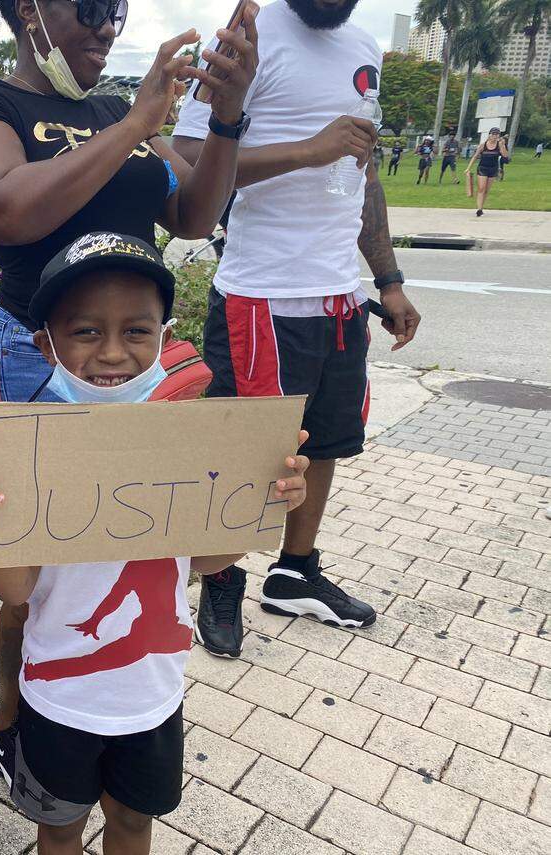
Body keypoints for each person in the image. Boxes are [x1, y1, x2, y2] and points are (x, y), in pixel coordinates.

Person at [0, 0, 259, 772]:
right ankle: (17, 720)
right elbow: (5, 208)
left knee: (118, 544)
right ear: (29, 12)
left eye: (114, 11)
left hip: (123, 357)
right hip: (32, 351)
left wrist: (225, 118)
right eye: (86, 9)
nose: (105, 26)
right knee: (27, 563)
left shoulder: (121, 108)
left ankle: (104, 703)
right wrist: (133, 126)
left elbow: (190, 213)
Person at [0, 232, 310, 853]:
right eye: (86, 332)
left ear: (164, 337)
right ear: (47, 345)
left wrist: (263, 501)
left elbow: (196, 564)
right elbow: (14, 592)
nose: (113, 353)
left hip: (152, 695)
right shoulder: (20, 452)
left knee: (132, 823)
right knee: (59, 829)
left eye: (137, 331)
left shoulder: (187, 444)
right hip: (58, 697)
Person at [171, 0, 421, 658]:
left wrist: (387, 279)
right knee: (246, 453)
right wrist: (311, 149)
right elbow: (189, 158)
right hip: (260, 292)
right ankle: (220, 576)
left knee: (329, 439)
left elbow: (361, 172)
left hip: (338, 293)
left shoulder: (364, 46)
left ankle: (295, 570)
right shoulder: (244, 40)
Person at [467, 127, 508, 217]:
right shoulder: (483, 145)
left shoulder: (499, 145)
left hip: (493, 169)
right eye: (493, 134)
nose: (494, 136)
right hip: (482, 168)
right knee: (481, 188)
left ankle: (481, 207)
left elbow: (505, 156)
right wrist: (468, 168)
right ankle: (479, 209)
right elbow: (475, 156)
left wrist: (503, 145)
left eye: (496, 134)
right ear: (489, 135)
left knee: (486, 190)